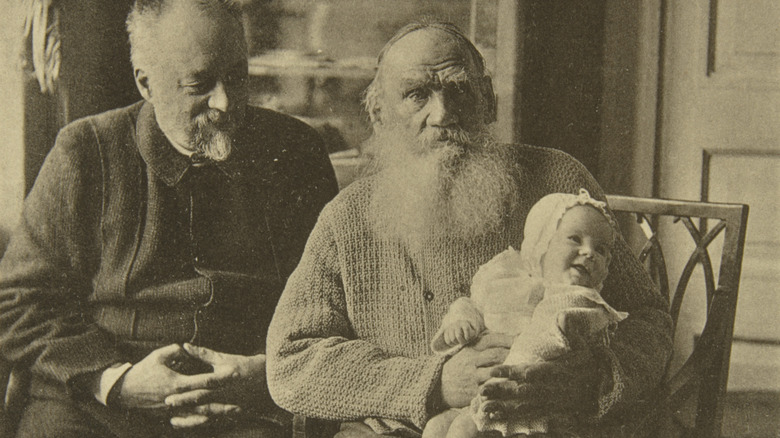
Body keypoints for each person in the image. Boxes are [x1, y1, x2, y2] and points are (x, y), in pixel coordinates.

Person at [266, 20, 673, 438]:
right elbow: (290, 362)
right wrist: (433, 381)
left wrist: (588, 380)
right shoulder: (346, 218)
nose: (443, 113)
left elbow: (649, 321)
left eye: (459, 89)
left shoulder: (559, 180)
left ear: (489, 101)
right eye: (416, 94)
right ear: (379, 114)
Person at [0, 0, 338, 437]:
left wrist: (270, 373)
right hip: (97, 407)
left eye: (237, 76)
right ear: (146, 83)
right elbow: (19, 300)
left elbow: (337, 302)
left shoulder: (297, 151)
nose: (226, 101)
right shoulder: (84, 151)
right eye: (199, 83)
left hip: (247, 409)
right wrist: (116, 381)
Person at [424, 189, 630, 438]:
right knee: (435, 428)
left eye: (601, 249)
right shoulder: (507, 278)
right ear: (542, 243)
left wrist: (574, 341)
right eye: (575, 239)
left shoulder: (584, 302)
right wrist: (461, 321)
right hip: (481, 398)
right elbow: (474, 303)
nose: (589, 252)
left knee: (464, 431)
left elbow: (594, 348)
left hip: (540, 408)